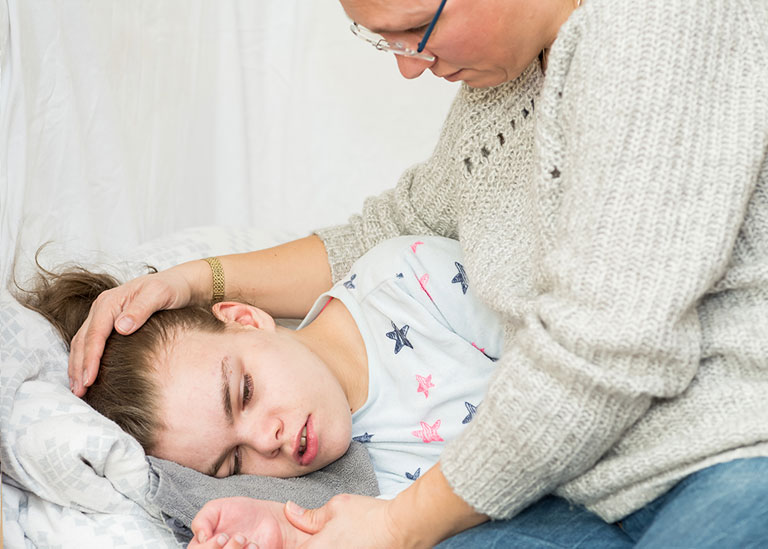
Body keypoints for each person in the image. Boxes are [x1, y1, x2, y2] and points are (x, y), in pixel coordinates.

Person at [68, 0, 768, 547]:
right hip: (586, 490)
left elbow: (605, 351)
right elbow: (389, 228)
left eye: (414, 28)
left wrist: (403, 525)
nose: (408, 68)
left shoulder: (658, 28)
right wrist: (195, 281)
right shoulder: (501, 95)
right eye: (386, 42)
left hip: (726, 451)